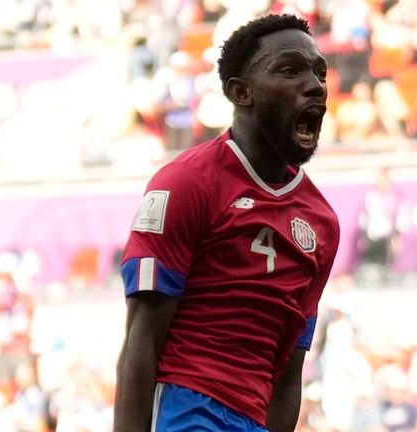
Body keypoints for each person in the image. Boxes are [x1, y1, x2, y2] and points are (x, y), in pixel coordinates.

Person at [113, 14, 340, 432]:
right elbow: (140, 342)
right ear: (242, 92)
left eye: (320, 72)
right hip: (186, 410)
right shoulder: (186, 184)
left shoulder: (321, 222)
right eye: (290, 70)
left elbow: (289, 369)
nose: (315, 85)